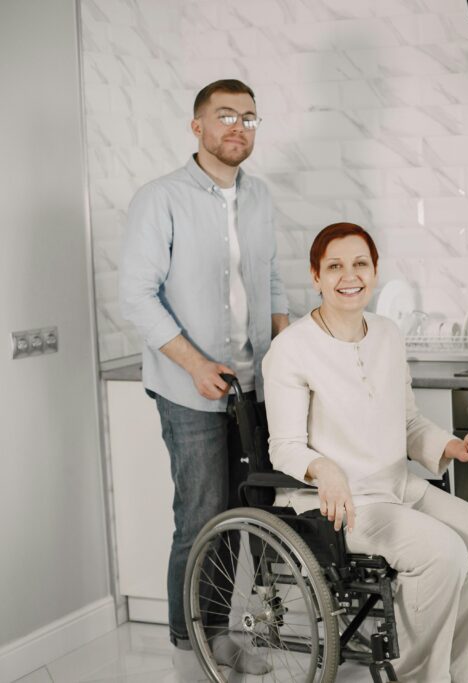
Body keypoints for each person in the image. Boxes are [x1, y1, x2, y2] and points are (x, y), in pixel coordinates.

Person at [262, 222, 468, 683]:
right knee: (443, 553)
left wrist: (452, 445)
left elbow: (409, 422)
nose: (348, 275)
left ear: (374, 272)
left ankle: (454, 672)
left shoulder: (388, 335)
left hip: (396, 485)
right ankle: (413, 676)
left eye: (360, 264)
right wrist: (324, 468)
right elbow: (286, 447)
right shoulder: (290, 349)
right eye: (334, 266)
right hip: (337, 502)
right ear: (315, 276)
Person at [119, 79, 289, 679]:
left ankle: (233, 628)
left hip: (255, 387)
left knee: (255, 512)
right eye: (225, 116)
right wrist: (194, 365)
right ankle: (191, 641)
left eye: (249, 116)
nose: (238, 127)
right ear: (197, 127)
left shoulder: (262, 196)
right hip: (187, 388)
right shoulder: (160, 198)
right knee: (202, 517)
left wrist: (289, 360)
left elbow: (273, 282)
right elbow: (135, 297)